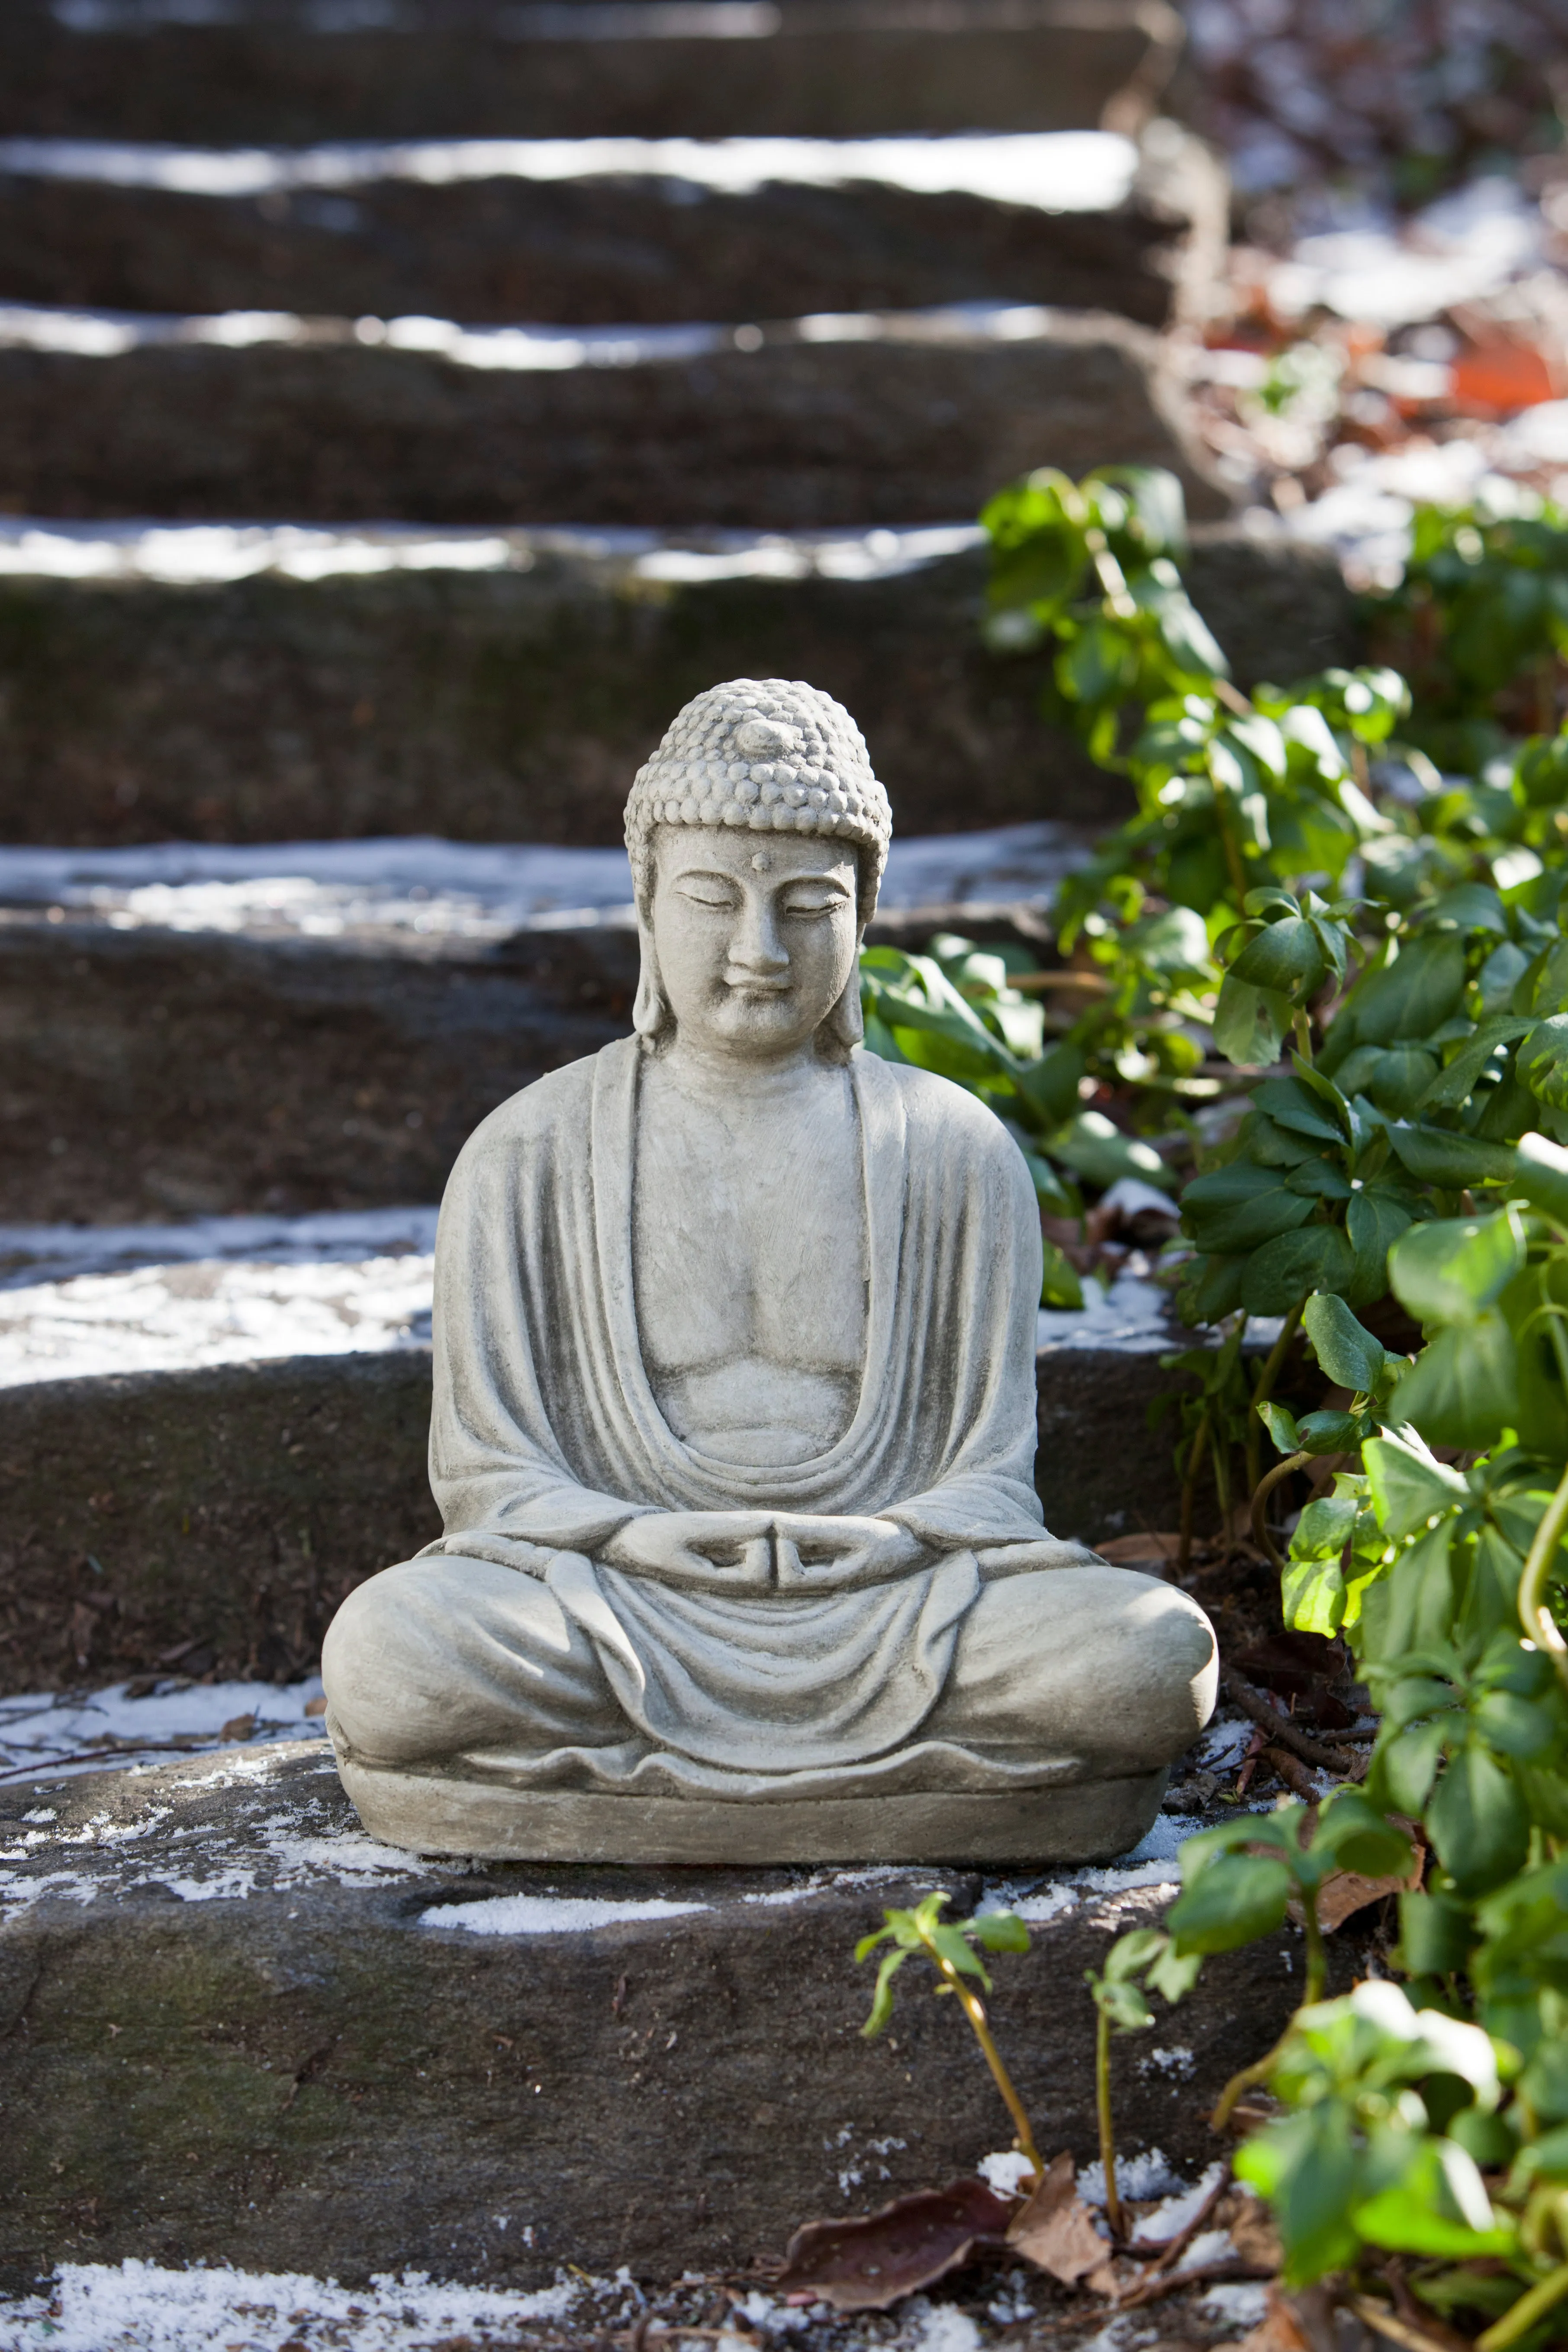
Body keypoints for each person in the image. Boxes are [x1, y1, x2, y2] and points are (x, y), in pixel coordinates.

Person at [322, 680, 1216, 1861]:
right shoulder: (528, 1151)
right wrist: (629, 1537)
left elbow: (991, 1473)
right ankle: (937, 1796)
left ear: (866, 916)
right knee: (391, 1655)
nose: (760, 949)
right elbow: (490, 1474)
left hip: (898, 1606)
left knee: (1149, 1656)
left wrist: (897, 1537)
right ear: (646, 904)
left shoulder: (950, 1153)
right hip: (618, 1598)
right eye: (711, 899)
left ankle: (611, 1795)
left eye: (809, 905)